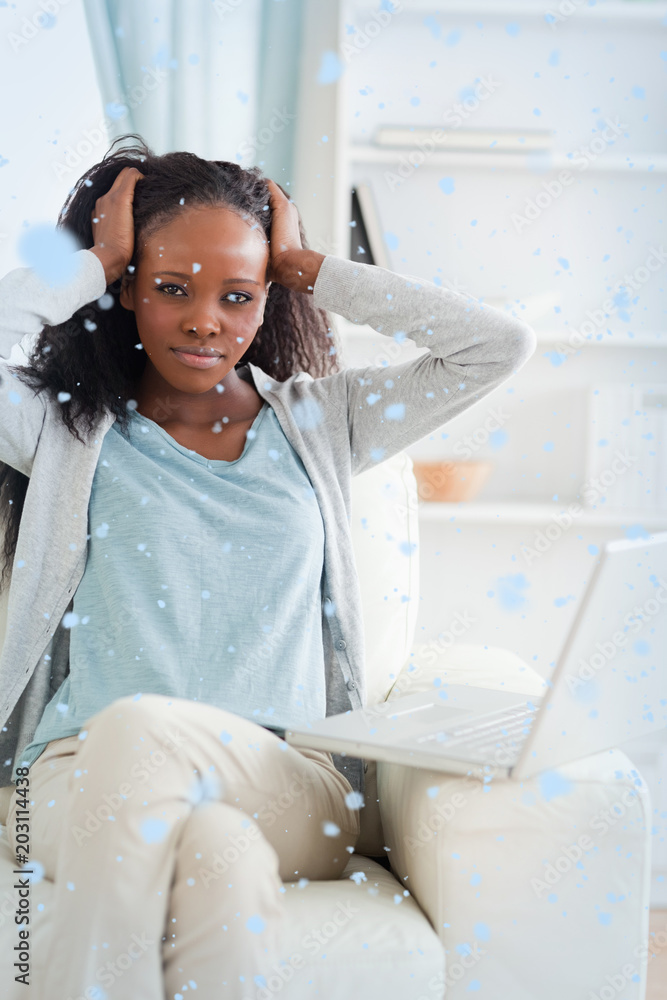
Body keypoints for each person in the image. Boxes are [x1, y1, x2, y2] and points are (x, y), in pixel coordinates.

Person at [0, 135, 536, 999]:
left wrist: (311, 265)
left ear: (266, 299)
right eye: (171, 287)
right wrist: (92, 259)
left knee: (143, 730)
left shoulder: (327, 423)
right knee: (219, 858)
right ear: (130, 289)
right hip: (66, 776)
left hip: (288, 783)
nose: (205, 319)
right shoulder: (69, 431)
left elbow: (496, 346)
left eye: (237, 294)